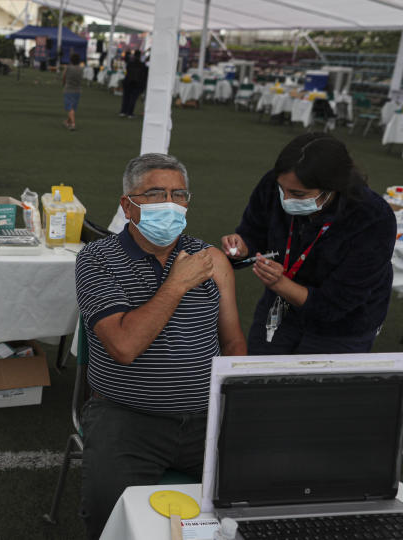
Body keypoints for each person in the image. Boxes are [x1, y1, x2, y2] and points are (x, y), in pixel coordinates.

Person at [75, 153, 246, 540]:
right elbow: (124, 346)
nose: (169, 203)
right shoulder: (96, 260)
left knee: (252, 500)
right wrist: (177, 284)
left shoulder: (212, 260)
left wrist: (234, 406)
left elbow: (233, 341)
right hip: (127, 417)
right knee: (106, 515)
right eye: (155, 194)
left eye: (178, 194)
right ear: (128, 205)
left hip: (207, 415)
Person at [221, 133, 396, 354]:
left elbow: (335, 304)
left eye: (297, 194)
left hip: (343, 326)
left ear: (333, 188)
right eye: (281, 189)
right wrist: (242, 249)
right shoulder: (275, 183)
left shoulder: (373, 218)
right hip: (281, 307)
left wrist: (280, 283)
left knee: (314, 386)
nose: (285, 198)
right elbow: (253, 232)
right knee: (260, 379)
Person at [119, 50, 148, 118]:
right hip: (137, 83)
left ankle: (123, 112)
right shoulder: (142, 65)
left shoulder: (129, 63)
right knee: (133, 98)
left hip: (128, 82)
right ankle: (130, 113)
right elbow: (144, 74)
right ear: (140, 56)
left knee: (126, 98)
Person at [62, 52, 83, 131]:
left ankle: (73, 124)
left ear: (71, 60)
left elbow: (64, 77)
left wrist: (63, 84)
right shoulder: (81, 69)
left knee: (70, 108)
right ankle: (67, 121)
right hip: (78, 90)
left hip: (69, 89)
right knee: (73, 107)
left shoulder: (68, 68)